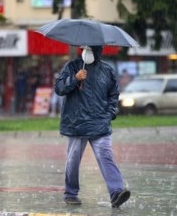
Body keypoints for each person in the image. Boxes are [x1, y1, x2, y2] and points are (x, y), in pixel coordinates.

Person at [54, 45, 130, 208]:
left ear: (99, 51)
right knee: (73, 160)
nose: (88, 53)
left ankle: (116, 192)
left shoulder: (106, 70)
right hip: (76, 123)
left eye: (92, 49)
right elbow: (59, 88)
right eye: (85, 49)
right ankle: (71, 193)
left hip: (100, 124)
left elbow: (113, 95)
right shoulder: (72, 66)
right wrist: (75, 78)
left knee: (106, 156)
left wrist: (109, 114)